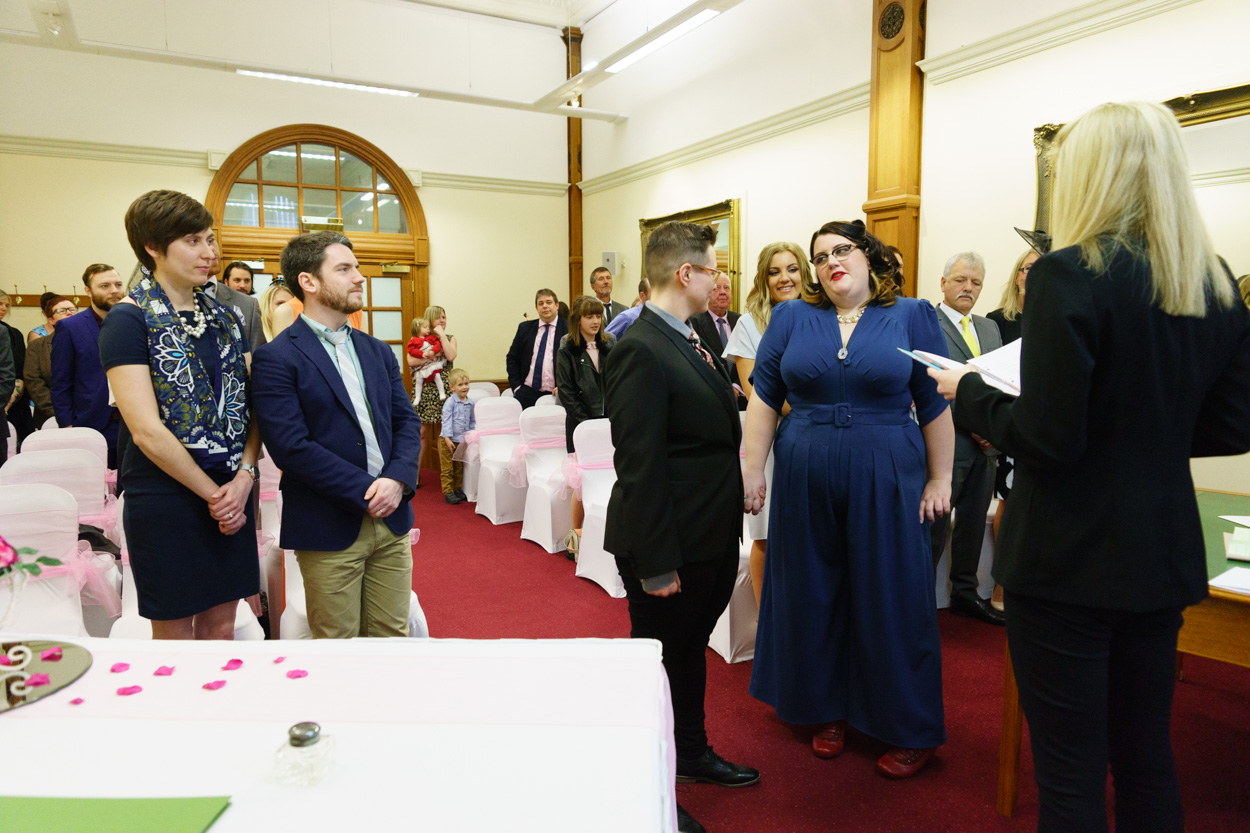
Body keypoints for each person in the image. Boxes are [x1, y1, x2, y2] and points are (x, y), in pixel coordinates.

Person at [929, 101, 1250, 833]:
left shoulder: (1070, 273)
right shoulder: (1215, 278)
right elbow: (1235, 422)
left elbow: (1047, 435)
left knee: (1070, 775)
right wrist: (1146, 433)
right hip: (1161, 552)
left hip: (1067, 556)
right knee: (1146, 759)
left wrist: (970, 391)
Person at [743, 219, 953, 780]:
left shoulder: (911, 315)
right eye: (819, 257)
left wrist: (941, 479)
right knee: (813, 591)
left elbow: (935, 405)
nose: (831, 262)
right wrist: (751, 469)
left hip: (888, 470)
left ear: (868, 256)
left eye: (842, 250)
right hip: (805, 471)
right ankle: (825, 709)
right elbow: (764, 397)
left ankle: (910, 727)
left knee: (893, 593)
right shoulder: (790, 318)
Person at [604, 221, 759, 833]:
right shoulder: (640, 347)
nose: (722, 278)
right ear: (685, 274)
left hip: (707, 530)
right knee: (663, 661)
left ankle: (690, 754)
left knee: (688, 654)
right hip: (667, 540)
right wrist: (656, 560)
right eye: (714, 267)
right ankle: (655, 781)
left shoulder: (690, 336)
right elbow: (638, 464)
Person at [100, 190, 260, 639]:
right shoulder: (128, 320)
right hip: (166, 495)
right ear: (152, 247)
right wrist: (215, 495)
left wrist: (244, 478)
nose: (209, 253)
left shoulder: (225, 317)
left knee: (222, 629)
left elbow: (250, 405)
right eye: (193, 241)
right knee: (174, 642)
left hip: (232, 487)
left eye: (210, 240)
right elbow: (146, 430)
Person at [252, 230, 421, 639]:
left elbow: (407, 422)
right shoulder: (276, 358)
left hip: (392, 516)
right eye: (344, 269)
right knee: (337, 644)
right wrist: (370, 490)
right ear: (309, 282)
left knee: (392, 636)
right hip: (329, 520)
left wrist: (396, 481)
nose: (359, 277)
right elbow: (291, 447)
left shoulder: (377, 350)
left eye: (357, 267)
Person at [724, 241, 808, 607]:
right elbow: (757, 390)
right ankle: (766, 622)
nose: (784, 278)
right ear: (763, 278)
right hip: (770, 440)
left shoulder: (823, 315)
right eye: (774, 271)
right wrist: (815, 411)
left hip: (816, 439)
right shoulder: (749, 323)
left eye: (792, 269)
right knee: (767, 534)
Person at [930, 251, 1004, 626]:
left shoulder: (990, 328)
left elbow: (1001, 383)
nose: (968, 288)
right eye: (960, 280)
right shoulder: (928, 323)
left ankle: (964, 593)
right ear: (943, 283)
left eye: (975, 282)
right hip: (948, 443)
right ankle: (919, 599)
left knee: (974, 525)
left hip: (986, 447)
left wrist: (994, 429)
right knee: (934, 527)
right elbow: (926, 385)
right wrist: (977, 423)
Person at [555, 294, 615, 557]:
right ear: (577, 320)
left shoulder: (610, 343)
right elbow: (566, 393)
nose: (595, 321)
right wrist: (588, 426)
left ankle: (607, 534)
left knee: (610, 479)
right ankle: (576, 539)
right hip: (582, 427)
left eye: (598, 316)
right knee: (581, 484)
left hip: (610, 425)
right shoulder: (567, 348)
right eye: (589, 316)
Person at [50, 263, 124, 466]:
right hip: (91, 423)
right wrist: (67, 427)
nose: (114, 291)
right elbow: (60, 382)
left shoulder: (135, 322)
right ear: (88, 291)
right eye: (105, 286)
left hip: (133, 423)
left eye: (118, 284)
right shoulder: (70, 327)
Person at [410, 304, 458, 484]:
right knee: (422, 432)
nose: (442, 320)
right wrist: (432, 355)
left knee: (442, 431)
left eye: (444, 317)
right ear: (430, 320)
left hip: (444, 389)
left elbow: (451, 356)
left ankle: (445, 475)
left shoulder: (450, 337)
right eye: (438, 317)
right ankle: (413, 475)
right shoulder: (419, 338)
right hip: (424, 388)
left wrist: (442, 336)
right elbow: (410, 360)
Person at [505, 289, 567, 409]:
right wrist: (517, 388)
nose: (545, 306)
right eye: (541, 303)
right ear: (536, 308)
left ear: (557, 305)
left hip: (557, 395)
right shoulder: (525, 328)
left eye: (549, 302)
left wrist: (565, 386)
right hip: (527, 393)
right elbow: (512, 358)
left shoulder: (569, 329)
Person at [23, 295, 73, 428]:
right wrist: (61, 411)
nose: (69, 313)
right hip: (50, 418)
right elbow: (33, 381)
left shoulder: (92, 341)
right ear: (51, 319)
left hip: (87, 414)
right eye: (62, 311)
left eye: (72, 309)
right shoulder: (38, 346)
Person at [207, 240, 265, 350]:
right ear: (226, 281)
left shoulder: (251, 305)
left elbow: (257, 348)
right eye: (237, 280)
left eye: (247, 281)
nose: (242, 285)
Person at [986, 249, 1039, 346]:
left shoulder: (1055, 323)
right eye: (1029, 268)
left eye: (1042, 270)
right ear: (1016, 278)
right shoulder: (995, 321)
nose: (1035, 274)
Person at [0, 289, 33, 447]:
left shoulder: (13, 334)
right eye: (0, 304)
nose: (4, 308)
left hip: (13, 403)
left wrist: (6, 405)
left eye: (7, 305)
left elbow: (18, 371)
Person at [439, 368, 474, 505]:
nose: (464, 387)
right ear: (452, 387)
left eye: (466, 383)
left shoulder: (470, 403)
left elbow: (472, 421)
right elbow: (446, 421)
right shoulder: (450, 403)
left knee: (458, 466)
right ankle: (448, 491)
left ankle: (457, 488)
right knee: (448, 467)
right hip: (448, 440)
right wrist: (447, 438)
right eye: (460, 385)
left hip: (462, 440)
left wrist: (471, 435)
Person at [407, 316, 446, 415]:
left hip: (432, 362)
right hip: (422, 365)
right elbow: (411, 350)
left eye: (428, 327)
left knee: (437, 376)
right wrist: (421, 354)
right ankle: (417, 397)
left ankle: (442, 392)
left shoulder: (431, 338)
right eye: (425, 327)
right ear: (418, 329)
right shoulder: (413, 340)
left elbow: (437, 344)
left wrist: (433, 351)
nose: (428, 329)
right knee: (419, 380)